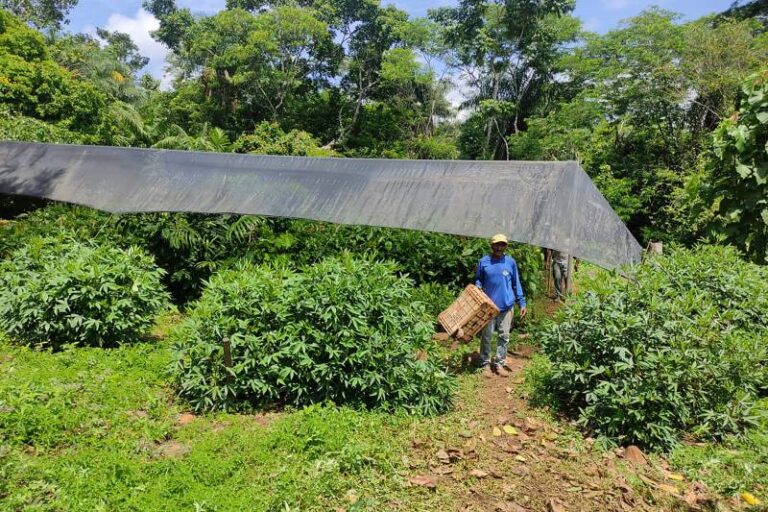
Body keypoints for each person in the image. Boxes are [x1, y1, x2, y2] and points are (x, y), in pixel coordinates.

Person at [475, 233, 527, 377]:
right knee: (487, 336)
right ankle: (485, 363)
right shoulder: (484, 262)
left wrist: (521, 302)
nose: (499, 247)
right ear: (491, 246)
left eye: (502, 245)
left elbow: (516, 283)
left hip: (507, 306)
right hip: (489, 307)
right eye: (496, 245)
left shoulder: (510, 262)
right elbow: (478, 279)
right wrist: (478, 286)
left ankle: (499, 363)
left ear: (505, 246)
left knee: (504, 336)